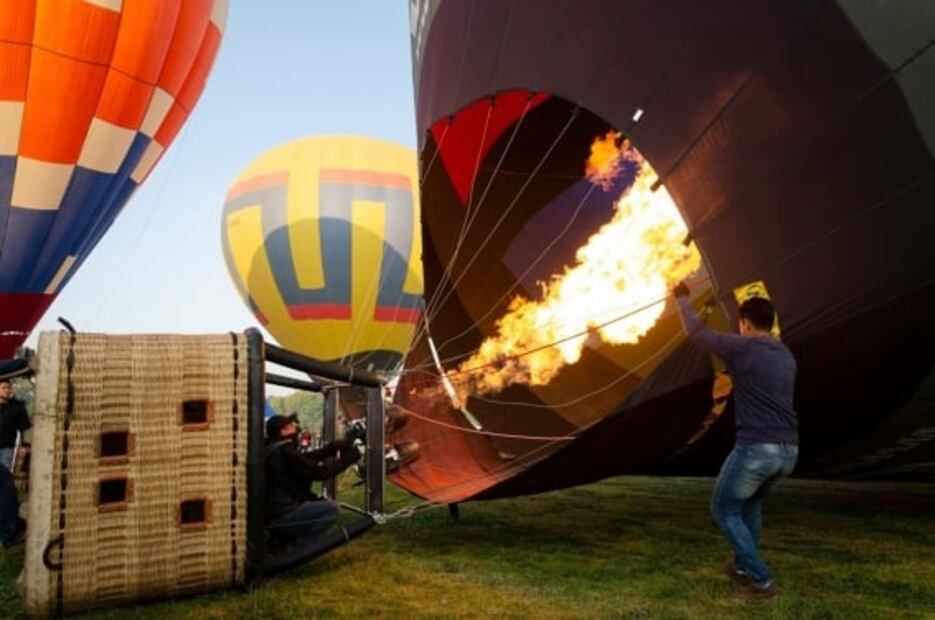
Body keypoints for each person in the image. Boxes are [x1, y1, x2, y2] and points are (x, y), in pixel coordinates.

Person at [673, 282, 798, 601]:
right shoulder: (785, 354)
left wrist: (683, 299)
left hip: (758, 448)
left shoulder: (743, 348)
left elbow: (696, 332)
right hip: (788, 451)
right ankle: (743, 567)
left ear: (744, 323)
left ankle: (761, 580)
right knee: (751, 503)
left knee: (724, 509)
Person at [265, 413, 362, 553]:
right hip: (282, 516)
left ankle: (282, 540)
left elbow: (306, 459)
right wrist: (347, 459)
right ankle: (302, 549)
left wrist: (331, 448)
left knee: (317, 502)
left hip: (272, 515)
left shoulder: (274, 449)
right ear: (283, 431)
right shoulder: (285, 452)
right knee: (330, 509)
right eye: (291, 426)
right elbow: (318, 472)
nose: (295, 428)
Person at [0, 379, 28, 548]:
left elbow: (24, 428)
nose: (7, 389)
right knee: (4, 486)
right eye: (3, 387)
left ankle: (9, 529)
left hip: (7, 450)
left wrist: (25, 445)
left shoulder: (17, 407)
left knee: (5, 487)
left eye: (8, 387)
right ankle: (10, 530)